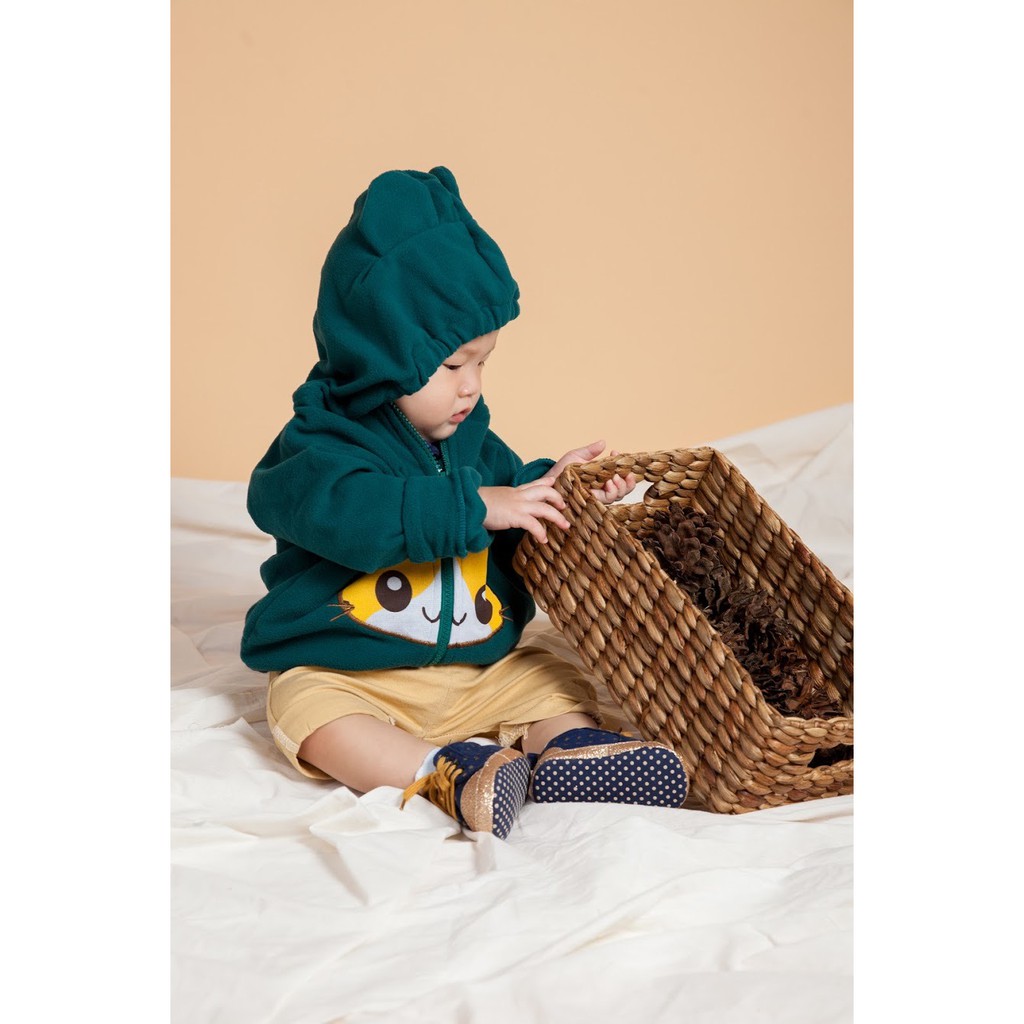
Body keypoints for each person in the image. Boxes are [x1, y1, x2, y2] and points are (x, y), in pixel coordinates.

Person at [241, 166, 688, 839]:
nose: (471, 385)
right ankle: (444, 773)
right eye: (452, 365)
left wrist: (558, 488)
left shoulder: (472, 440)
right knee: (307, 711)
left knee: (550, 674)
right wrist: (474, 508)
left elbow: (510, 497)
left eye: (483, 362)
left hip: (479, 668)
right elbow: (348, 513)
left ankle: (568, 750)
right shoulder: (317, 446)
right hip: (353, 670)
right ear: (380, 354)